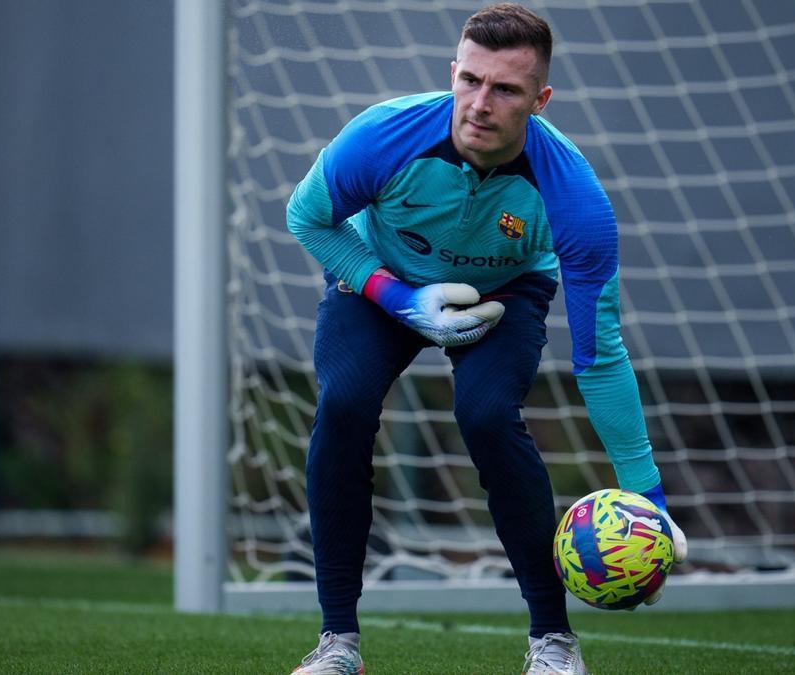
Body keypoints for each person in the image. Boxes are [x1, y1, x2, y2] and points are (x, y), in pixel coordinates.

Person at [286, 4, 686, 673]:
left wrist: (650, 496)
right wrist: (398, 297)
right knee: (344, 404)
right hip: (382, 279)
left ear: (540, 99)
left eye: (504, 89)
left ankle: (553, 643)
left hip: (507, 294)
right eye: (469, 80)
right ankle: (337, 646)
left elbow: (599, 353)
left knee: (488, 414)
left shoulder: (575, 198)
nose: (479, 103)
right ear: (453, 72)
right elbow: (308, 216)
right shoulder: (384, 135)